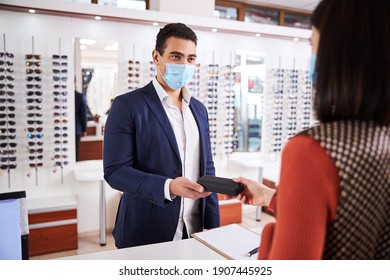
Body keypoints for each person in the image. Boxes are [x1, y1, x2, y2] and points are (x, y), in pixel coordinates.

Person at [233, 0, 390, 259]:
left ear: (335, 55)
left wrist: (271, 237)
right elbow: (354, 217)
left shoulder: (311, 151)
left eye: (312, 44)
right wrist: (271, 197)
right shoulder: (380, 139)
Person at [103, 23, 220, 249]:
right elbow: (115, 172)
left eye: (191, 58)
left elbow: (207, 168)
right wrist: (168, 186)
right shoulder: (127, 105)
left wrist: (214, 227)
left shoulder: (199, 109)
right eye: (176, 56)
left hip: (193, 231)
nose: (184, 65)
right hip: (145, 231)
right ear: (157, 57)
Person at [75, 90, 88, 161]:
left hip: (64, 129)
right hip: (77, 128)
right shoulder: (79, 96)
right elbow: (83, 114)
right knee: (76, 150)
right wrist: (84, 129)